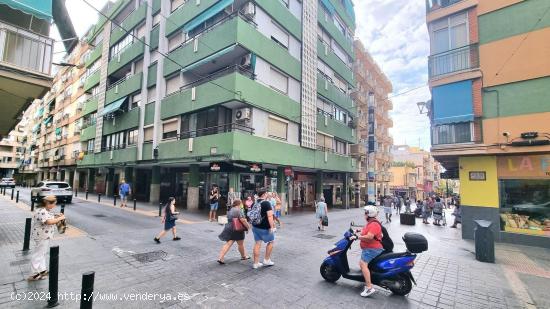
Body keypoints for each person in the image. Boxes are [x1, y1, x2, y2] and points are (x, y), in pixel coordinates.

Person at [28, 195, 65, 281]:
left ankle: (42, 271)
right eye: (54, 204)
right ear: (48, 203)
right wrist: (60, 218)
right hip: (41, 236)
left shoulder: (44, 210)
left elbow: (49, 217)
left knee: (42, 253)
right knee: (38, 254)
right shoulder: (42, 211)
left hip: (43, 235)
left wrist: (56, 216)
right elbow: (48, 221)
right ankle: (33, 274)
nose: (54, 206)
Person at [353, 206, 384, 297]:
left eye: (366, 213)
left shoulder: (374, 224)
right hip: (369, 248)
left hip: (372, 249)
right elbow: (366, 230)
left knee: (363, 264)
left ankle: (369, 287)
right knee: (362, 264)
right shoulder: (371, 222)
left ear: (369, 214)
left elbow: (370, 236)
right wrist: (358, 230)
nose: (364, 214)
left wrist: (357, 237)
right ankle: (367, 279)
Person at [217, 199, 251, 264]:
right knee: (240, 244)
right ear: (239, 204)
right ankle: (243, 256)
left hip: (229, 228)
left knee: (228, 243)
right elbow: (243, 220)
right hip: (237, 229)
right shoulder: (239, 210)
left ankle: (220, 258)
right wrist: (248, 227)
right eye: (241, 203)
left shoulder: (231, 209)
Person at [251, 190, 276, 269]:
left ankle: (256, 263)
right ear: (264, 194)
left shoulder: (254, 203)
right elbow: (270, 216)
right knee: (271, 242)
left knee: (257, 243)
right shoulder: (266, 203)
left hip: (255, 226)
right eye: (267, 193)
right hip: (265, 227)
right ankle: (267, 259)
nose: (268, 194)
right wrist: (272, 227)